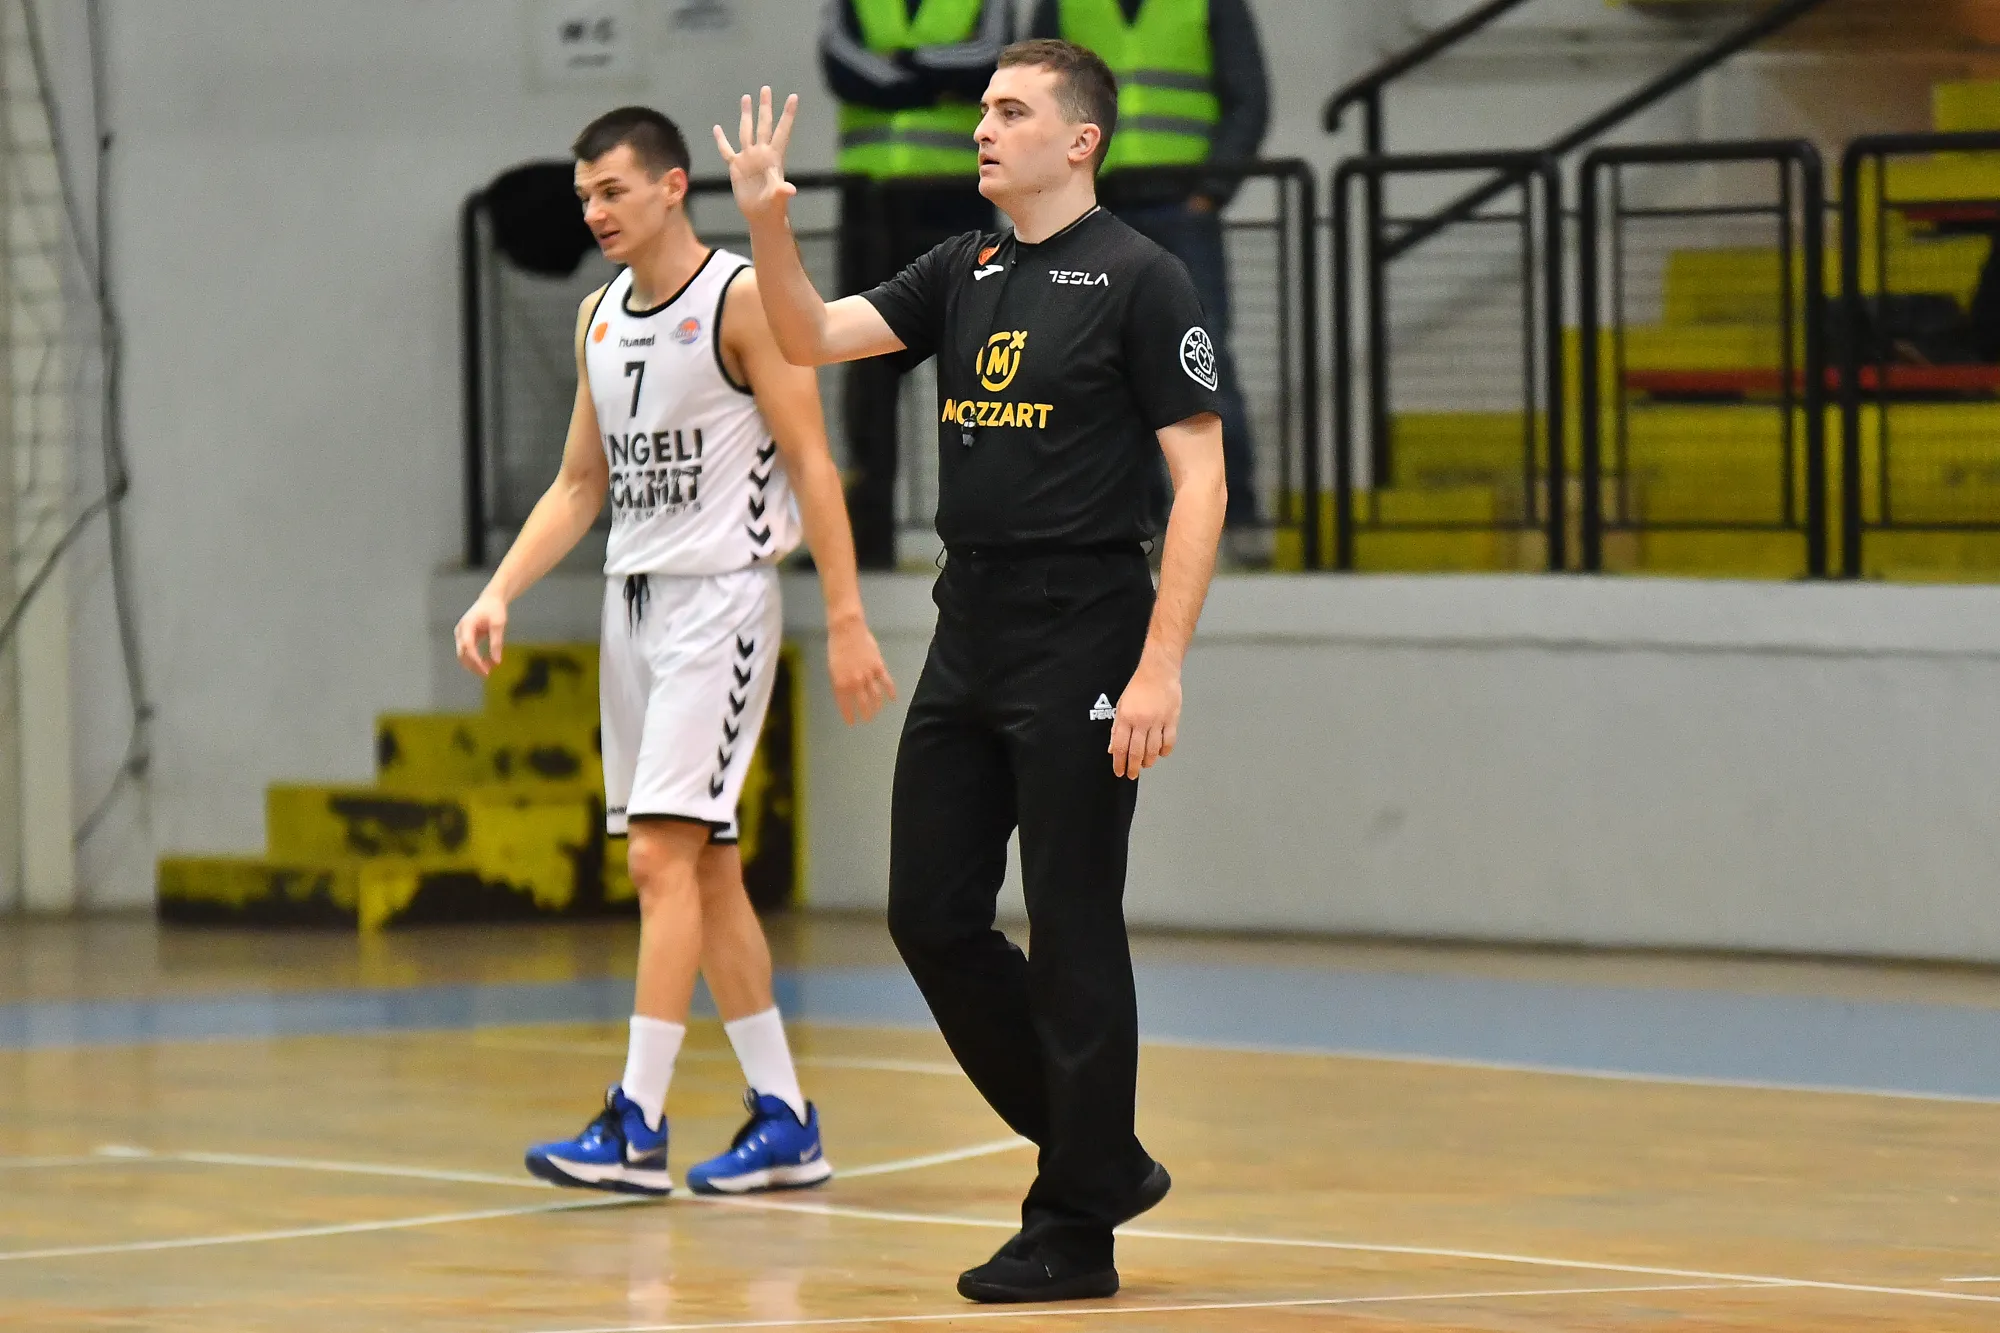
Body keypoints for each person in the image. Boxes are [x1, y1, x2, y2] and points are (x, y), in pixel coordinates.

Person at [715, 39, 1227, 1303]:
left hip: (1085, 625)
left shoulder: (1142, 277)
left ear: (1080, 140)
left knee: (1070, 917)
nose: (983, 127)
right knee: (929, 913)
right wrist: (768, 223)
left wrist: (1158, 667)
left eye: (1010, 110)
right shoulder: (962, 266)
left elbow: (1200, 480)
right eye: (984, 109)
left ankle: (1073, 1227)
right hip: (971, 621)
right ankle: (1097, 1152)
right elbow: (808, 333)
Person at [454, 106, 896, 1198]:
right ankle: (785, 1118)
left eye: (611, 191)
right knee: (704, 868)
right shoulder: (598, 317)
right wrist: (499, 589)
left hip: (720, 605)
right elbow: (579, 484)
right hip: (634, 608)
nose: (595, 213)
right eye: (584, 198)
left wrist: (846, 616)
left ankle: (636, 1122)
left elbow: (814, 461)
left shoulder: (738, 300)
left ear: (670, 187)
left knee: (658, 858)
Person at [1030, 0, 1266, 557]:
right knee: (1106, 371)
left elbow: (1248, 99)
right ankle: (1140, 524)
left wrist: (1209, 193)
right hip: (1097, 212)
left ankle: (1236, 517)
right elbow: (1033, 103)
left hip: (1182, 209)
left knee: (1202, 361)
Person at [820, 0, 1010, 567]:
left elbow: (991, 64)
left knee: (980, 370)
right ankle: (867, 541)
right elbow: (841, 67)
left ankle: (989, 536)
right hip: (871, 206)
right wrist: (933, 78)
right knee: (868, 376)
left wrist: (900, 65)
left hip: (956, 201)